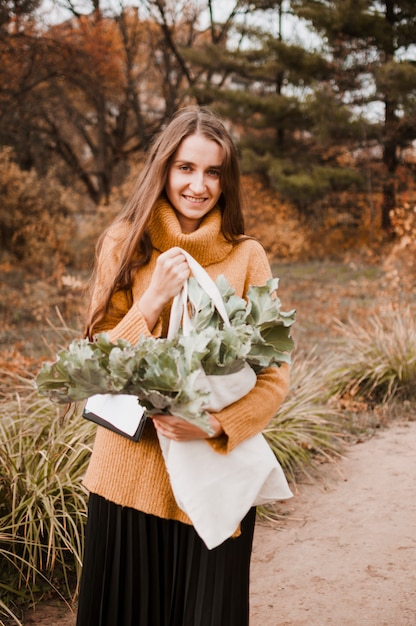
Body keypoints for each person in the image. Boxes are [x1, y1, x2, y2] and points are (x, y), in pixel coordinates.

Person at [76, 106, 290, 626]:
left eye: (213, 172)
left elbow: (274, 374)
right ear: (164, 169)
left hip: (214, 483)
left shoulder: (246, 257)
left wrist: (215, 424)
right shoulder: (123, 242)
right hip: (128, 477)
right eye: (186, 168)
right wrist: (151, 303)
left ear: (226, 179)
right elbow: (96, 362)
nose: (199, 185)